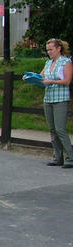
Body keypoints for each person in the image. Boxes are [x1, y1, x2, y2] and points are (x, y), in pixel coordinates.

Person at [40, 38, 73, 168]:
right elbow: (41, 76)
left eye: (51, 49)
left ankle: (70, 157)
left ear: (58, 48)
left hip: (60, 98)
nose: (49, 52)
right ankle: (57, 156)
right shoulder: (48, 63)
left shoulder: (66, 62)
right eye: (48, 50)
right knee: (52, 129)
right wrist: (32, 78)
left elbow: (67, 81)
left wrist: (52, 82)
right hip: (48, 98)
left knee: (60, 129)